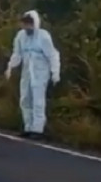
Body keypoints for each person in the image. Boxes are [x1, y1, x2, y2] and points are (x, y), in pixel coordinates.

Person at [5, 10, 60, 140]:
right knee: (25, 99)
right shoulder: (20, 37)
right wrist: (10, 67)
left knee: (38, 101)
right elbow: (17, 54)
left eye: (29, 25)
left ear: (34, 24)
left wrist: (55, 72)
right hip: (27, 73)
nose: (26, 28)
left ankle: (38, 129)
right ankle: (28, 127)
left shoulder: (43, 37)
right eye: (24, 25)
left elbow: (52, 55)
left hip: (40, 74)